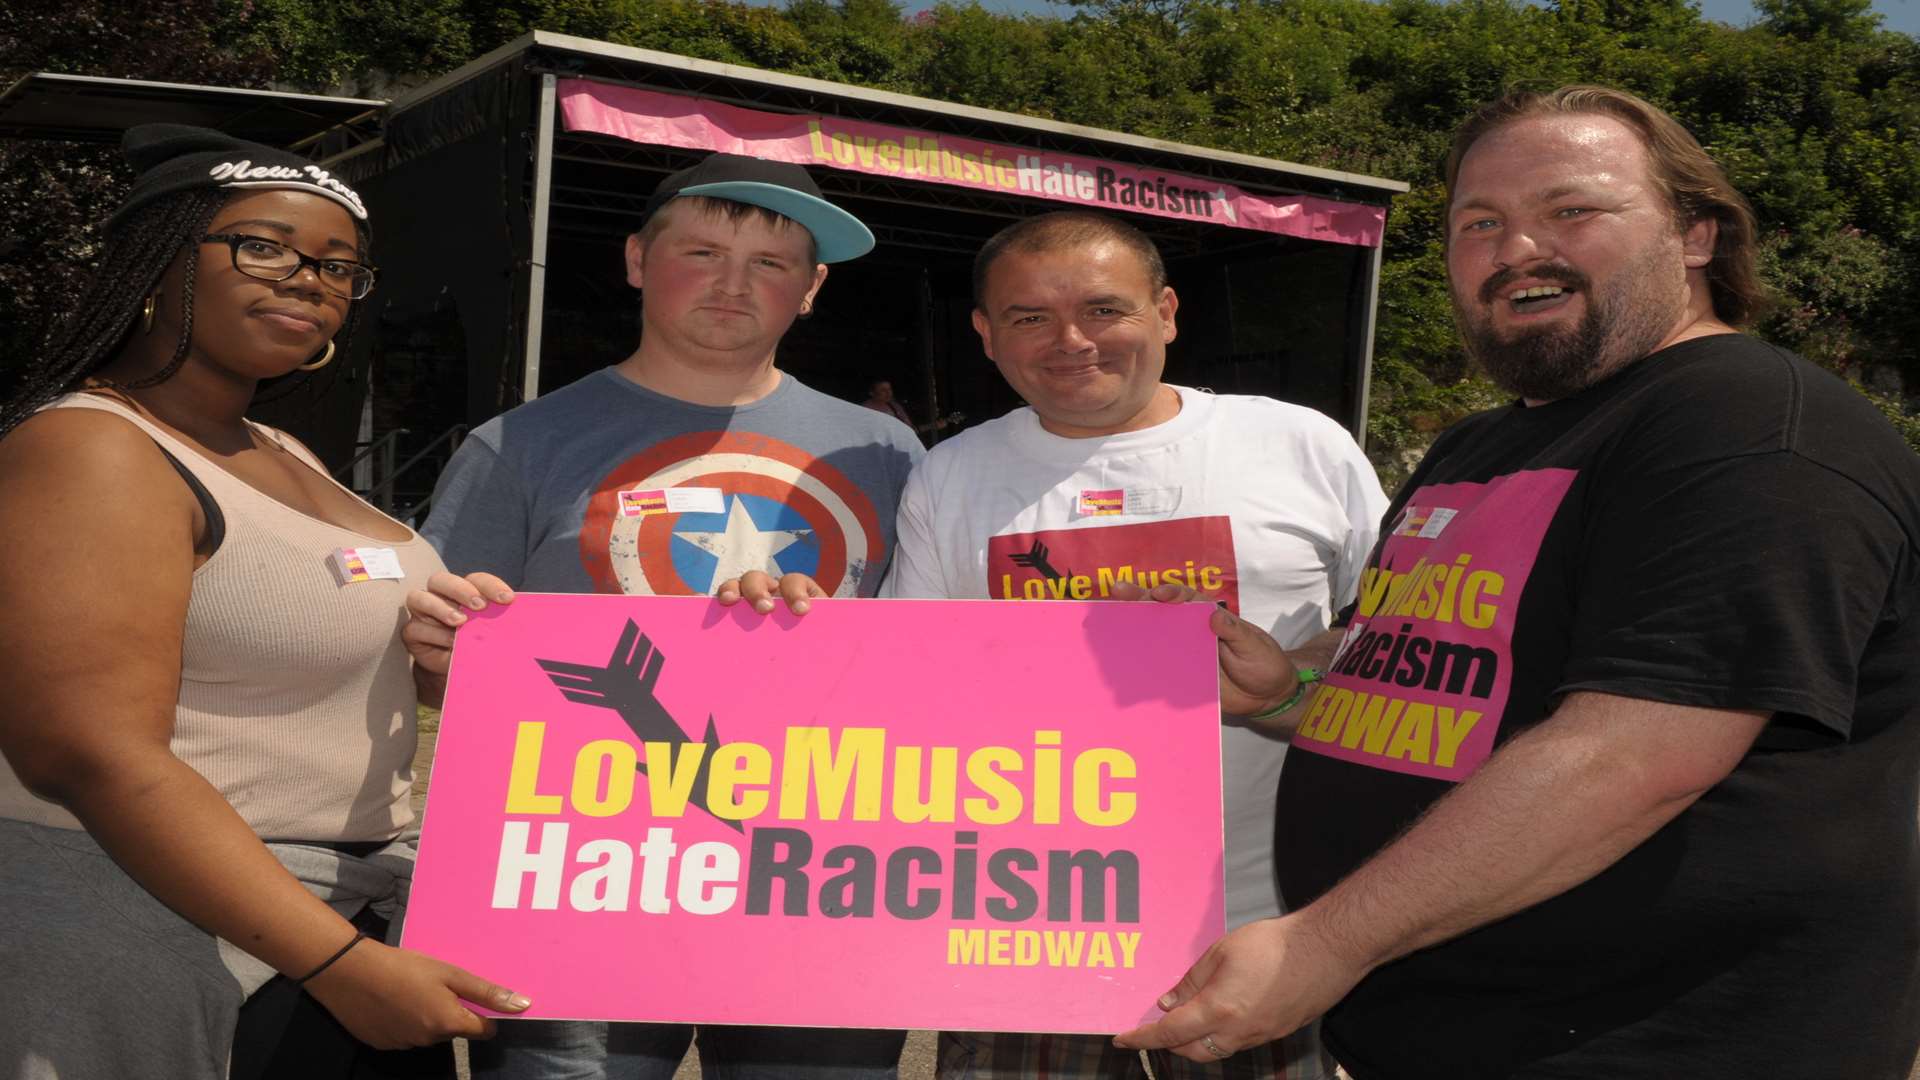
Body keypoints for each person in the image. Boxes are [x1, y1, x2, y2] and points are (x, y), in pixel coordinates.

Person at [1113, 85, 1920, 1078]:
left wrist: (1323, 943)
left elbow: (1634, 751)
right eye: (1479, 224)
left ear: (1697, 235)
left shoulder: (1746, 425)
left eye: (1571, 211)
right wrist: (1285, 686)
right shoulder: (1479, 445)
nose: (1516, 248)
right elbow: (1402, 669)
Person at [730, 209, 1385, 1080]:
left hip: (1258, 931)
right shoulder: (951, 471)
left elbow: (1395, 648)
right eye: (1031, 317)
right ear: (986, 336)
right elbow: (906, 694)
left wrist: (1290, 681)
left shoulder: (1302, 445)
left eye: (1105, 310)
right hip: (1022, 930)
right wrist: (786, 634)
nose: (1072, 340)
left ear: (1167, 312)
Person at [0, 125, 529, 1080]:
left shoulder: (284, 453)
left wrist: (436, 653)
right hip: (174, 933)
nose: (308, 278)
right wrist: (335, 961)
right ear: (159, 263)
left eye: (338, 265)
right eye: (264, 245)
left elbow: (285, 655)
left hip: (333, 919)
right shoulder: (92, 448)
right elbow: (84, 751)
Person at [408, 152, 921, 1079]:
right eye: (703, 251)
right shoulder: (517, 445)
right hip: (581, 882)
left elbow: (929, 668)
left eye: (771, 263)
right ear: (638, 259)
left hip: (816, 880)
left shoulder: (885, 450)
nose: (734, 283)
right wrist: (437, 649)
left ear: (811, 290)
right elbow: (433, 665)